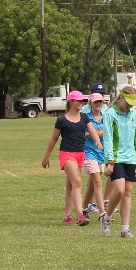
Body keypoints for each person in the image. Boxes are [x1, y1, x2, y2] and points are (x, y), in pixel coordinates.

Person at [42, 91, 102, 226]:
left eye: (82, 101)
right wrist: (46, 157)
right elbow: (53, 139)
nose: (81, 103)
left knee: (70, 185)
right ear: (70, 102)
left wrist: (97, 141)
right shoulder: (62, 120)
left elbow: (92, 130)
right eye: (78, 101)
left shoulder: (84, 117)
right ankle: (81, 215)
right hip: (66, 154)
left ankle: (67, 216)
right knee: (77, 183)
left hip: (80, 154)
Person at [101, 86, 136, 238]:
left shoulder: (133, 114)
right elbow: (107, 138)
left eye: (132, 103)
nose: (130, 105)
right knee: (119, 190)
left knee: (127, 192)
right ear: (120, 98)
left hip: (130, 158)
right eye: (128, 102)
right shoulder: (110, 114)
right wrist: (110, 161)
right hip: (115, 158)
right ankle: (106, 218)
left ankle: (125, 229)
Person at [81, 92, 107, 222]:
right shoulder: (85, 118)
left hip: (101, 154)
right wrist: (90, 133)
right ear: (90, 103)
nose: (98, 104)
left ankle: (83, 209)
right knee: (97, 182)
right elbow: (78, 135)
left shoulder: (106, 118)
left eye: (100, 102)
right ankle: (103, 213)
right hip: (88, 152)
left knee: (92, 184)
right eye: (95, 101)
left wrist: (104, 133)